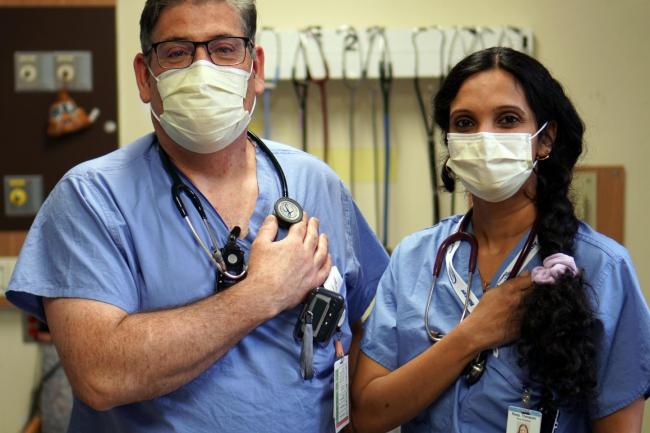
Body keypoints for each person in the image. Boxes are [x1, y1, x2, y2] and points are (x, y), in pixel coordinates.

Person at [6, 1, 389, 432]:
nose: (202, 70)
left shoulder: (315, 183)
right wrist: (258, 296)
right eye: (176, 52)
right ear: (144, 76)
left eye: (224, 49)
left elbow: (362, 336)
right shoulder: (91, 198)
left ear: (255, 67)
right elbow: (100, 374)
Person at [351, 47, 650, 433]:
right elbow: (368, 416)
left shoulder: (603, 268)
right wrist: (471, 335)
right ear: (450, 145)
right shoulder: (416, 257)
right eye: (465, 123)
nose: (484, 138)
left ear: (545, 139)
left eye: (507, 120)